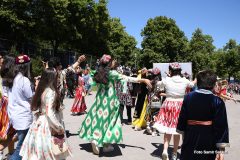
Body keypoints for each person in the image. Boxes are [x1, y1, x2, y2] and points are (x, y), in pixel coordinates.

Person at [78, 54, 152, 155]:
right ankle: (104, 143)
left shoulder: (98, 72)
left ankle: (97, 140)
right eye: (112, 61)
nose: (114, 62)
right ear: (109, 63)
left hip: (100, 99)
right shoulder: (112, 73)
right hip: (110, 100)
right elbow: (127, 78)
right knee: (110, 121)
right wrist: (143, 80)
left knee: (98, 118)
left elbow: (91, 82)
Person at [20, 68, 72, 160]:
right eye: (56, 77)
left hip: (40, 122)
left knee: (38, 152)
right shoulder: (51, 92)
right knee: (51, 152)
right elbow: (49, 113)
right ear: (52, 78)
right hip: (48, 124)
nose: (58, 79)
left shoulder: (42, 90)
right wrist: (58, 127)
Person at [177, 70, 229, 160]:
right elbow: (221, 126)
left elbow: (182, 119)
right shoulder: (217, 101)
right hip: (208, 138)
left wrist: (184, 136)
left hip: (190, 136)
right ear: (213, 84)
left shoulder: (188, 97)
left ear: (198, 83)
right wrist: (221, 150)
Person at [153, 62, 196, 160]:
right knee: (177, 130)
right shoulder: (184, 80)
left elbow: (158, 85)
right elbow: (192, 84)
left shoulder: (167, 79)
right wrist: (197, 78)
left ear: (171, 71)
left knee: (167, 129)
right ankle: (174, 153)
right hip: (180, 105)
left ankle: (164, 150)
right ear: (179, 71)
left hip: (168, 104)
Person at [5, 55, 34, 160]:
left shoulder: (11, 79)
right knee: (21, 149)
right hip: (23, 118)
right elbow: (31, 98)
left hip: (14, 116)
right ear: (27, 66)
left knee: (22, 145)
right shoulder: (24, 80)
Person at [0, 54, 17, 160]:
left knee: (7, 131)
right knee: (11, 133)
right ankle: (3, 151)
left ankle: (10, 153)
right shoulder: (13, 75)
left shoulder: (4, 73)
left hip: (3, 104)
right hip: (8, 105)